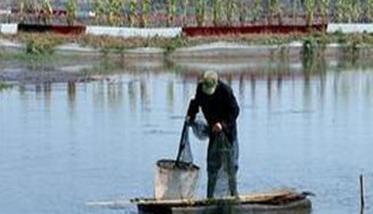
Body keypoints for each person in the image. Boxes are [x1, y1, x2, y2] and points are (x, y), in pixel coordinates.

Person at [187, 70, 240, 198]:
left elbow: (235, 111)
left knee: (231, 165)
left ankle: (233, 195)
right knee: (213, 165)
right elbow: (195, 103)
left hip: (227, 133)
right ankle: (211, 197)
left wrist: (222, 125)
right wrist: (190, 115)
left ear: (216, 84)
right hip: (213, 131)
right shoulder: (201, 89)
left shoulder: (225, 91)